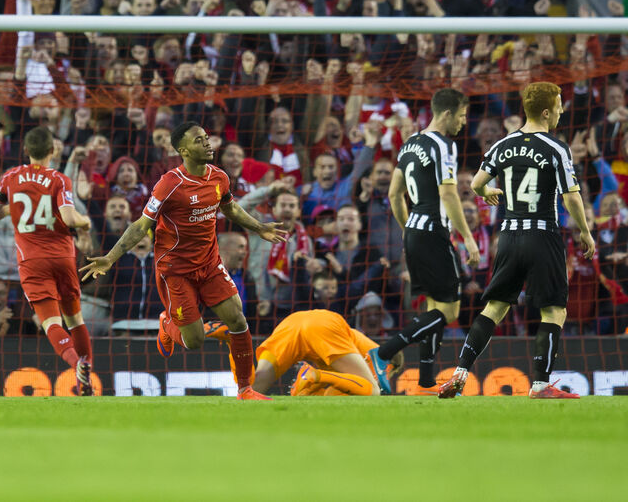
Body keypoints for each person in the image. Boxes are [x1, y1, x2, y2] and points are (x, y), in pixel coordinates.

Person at [81, 121, 288, 401]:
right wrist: (110, 258)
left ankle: (245, 389)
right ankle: (166, 324)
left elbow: (230, 207)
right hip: (175, 271)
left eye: (206, 137)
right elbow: (141, 225)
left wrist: (259, 227)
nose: (207, 143)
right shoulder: (169, 184)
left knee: (237, 319)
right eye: (198, 140)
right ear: (184, 151)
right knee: (194, 341)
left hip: (210, 264)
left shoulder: (219, 177)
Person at [440, 82, 595, 400]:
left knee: (495, 307)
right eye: (559, 106)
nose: (562, 111)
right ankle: (540, 385)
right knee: (554, 311)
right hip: (542, 234)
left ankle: (459, 373)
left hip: (509, 236)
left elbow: (477, 183)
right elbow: (571, 196)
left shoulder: (503, 144)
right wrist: (584, 230)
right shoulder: (556, 147)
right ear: (547, 112)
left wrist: (487, 192)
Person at [372, 88, 481, 389]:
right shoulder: (443, 145)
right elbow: (449, 194)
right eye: (461, 116)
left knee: (434, 306)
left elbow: (394, 194)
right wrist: (468, 238)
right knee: (450, 310)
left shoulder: (409, 144)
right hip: (434, 232)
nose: (463, 122)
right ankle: (383, 353)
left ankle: (426, 378)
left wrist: (408, 228)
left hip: (415, 231)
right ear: (447, 114)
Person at [0, 126, 95, 395]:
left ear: (25, 150)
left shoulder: (10, 177)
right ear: (52, 151)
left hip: (32, 261)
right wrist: (86, 222)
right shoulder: (59, 179)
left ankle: (76, 365)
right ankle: (87, 375)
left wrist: (17, 207)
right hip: (63, 258)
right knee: (75, 320)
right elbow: (69, 218)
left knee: (52, 324)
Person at [206, 309, 403, 396]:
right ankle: (314, 375)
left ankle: (234, 341)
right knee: (372, 390)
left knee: (251, 391)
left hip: (293, 323)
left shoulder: (354, 347)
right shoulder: (377, 357)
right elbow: (368, 387)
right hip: (324, 325)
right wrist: (317, 378)